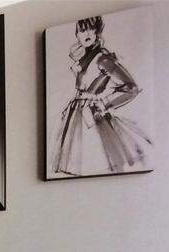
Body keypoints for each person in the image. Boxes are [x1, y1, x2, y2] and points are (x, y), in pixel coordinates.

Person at [51, 15, 152, 176]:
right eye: (83, 30)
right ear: (77, 34)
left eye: (92, 29)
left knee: (93, 166)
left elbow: (131, 88)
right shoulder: (81, 59)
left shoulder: (103, 59)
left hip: (91, 120)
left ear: (98, 32)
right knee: (71, 169)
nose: (87, 33)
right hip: (74, 118)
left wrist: (105, 103)